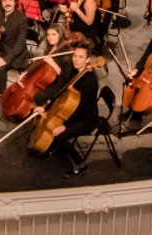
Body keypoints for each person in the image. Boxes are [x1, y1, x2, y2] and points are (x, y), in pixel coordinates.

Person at [30, 42, 100, 178]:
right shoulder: (75, 72)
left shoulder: (89, 81)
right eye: (75, 56)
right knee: (49, 123)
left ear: (87, 60)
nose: (76, 59)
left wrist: (64, 126)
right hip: (72, 112)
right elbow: (61, 94)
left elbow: (80, 108)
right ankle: (55, 147)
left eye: (80, 57)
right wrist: (45, 107)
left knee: (59, 135)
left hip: (86, 119)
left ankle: (81, 166)